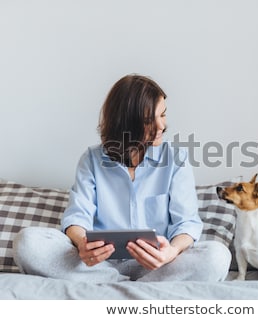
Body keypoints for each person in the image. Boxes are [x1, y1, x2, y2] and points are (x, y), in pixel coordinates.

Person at [13, 74, 231, 283]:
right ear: (125, 123)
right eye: (149, 120)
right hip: (98, 265)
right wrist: (83, 244)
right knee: (27, 242)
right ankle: (124, 284)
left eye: (163, 114)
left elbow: (187, 223)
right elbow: (77, 217)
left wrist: (171, 252)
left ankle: (115, 286)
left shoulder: (175, 159)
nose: (162, 126)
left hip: (159, 266)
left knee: (217, 256)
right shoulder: (92, 160)